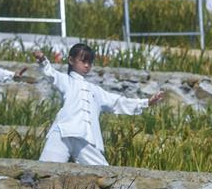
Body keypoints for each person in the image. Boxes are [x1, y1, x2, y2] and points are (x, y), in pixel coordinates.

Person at [34, 45, 163, 166]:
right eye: (83, 61)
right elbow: (51, 74)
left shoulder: (96, 90)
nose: (87, 65)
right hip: (62, 132)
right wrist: (43, 60)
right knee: (44, 170)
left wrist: (146, 102)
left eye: (89, 62)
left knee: (104, 172)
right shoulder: (66, 81)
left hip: (85, 138)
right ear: (71, 60)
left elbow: (118, 102)